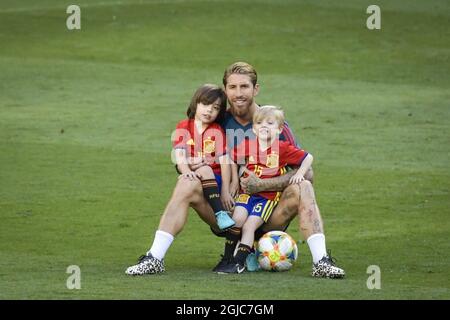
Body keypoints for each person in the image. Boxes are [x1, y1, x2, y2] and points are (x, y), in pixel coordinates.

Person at [125, 62, 345, 279]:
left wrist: (262, 184)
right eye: (232, 87)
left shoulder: (274, 123)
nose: (238, 93)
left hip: (268, 210)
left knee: (303, 186)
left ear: (255, 89)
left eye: (244, 87)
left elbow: (308, 173)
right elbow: (184, 155)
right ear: (226, 91)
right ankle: (154, 258)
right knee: (186, 182)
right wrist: (191, 164)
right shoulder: (218, 120)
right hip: (229, 211)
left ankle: (321, 262)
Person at [220, 105, 313, 274]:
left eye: (270, 123)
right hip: (247, 194)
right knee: (237, 220)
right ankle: (227, 259)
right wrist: (234, 181)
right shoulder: (248, 144)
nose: (264, 126)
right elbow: (230, 157)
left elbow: (308, 157)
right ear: (254, 129)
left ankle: (238, 263)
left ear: (279, 129)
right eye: (260, 122)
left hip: (266, 198)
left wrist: (299, 174)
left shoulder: (282, 148)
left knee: (249, 227)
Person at [172, 84, 236, 231]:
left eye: (215, 108)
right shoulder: (183, 126)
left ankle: (220, 213)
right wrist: (185, 170)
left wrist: (225, 190)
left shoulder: (217, 130)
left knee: (206, 168)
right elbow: (179, 155)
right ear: (196, 103)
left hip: (215, 180)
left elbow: (224, 161)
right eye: (206, 104)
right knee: (183, 191)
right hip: (195, 178)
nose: (209, 110)